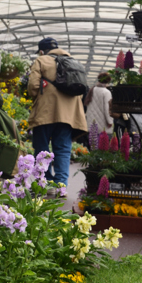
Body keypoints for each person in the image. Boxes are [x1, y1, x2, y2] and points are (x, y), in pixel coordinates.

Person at [27, 37, 87, 186]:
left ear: (42, 51)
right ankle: (61, 185)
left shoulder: (41, 60)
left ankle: (45, 182)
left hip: (45, 111)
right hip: (68, 115)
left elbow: (33, 86)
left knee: (42, 148)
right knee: (63, 148)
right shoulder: (74, 62)